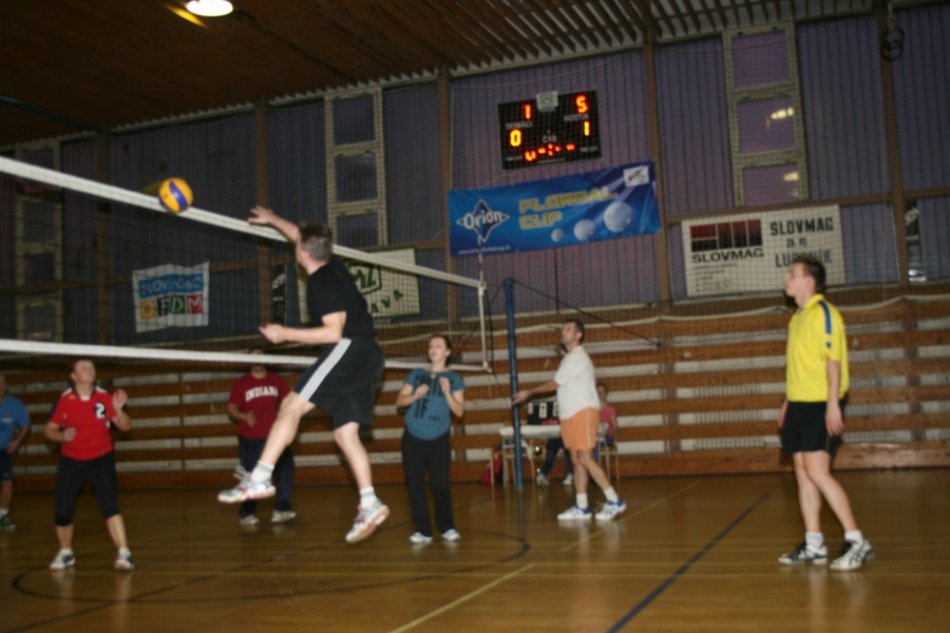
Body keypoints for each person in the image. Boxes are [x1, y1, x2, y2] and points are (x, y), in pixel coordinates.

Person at [218, 206, 389, 544]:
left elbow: (333, 332)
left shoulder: (320, 283)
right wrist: (273, 220)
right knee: (345, 434)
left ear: (302, 255)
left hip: (347, 349)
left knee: (291, 406)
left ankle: (260, 477)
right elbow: (301, 235)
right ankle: (370, 502)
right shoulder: (333, 264)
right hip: (369, 358)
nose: (295, 244)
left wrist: (285, 333)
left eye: (297, 244)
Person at [777, 254, 874, 571]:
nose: (787, 278)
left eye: (792, 274)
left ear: (809, 280)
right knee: (802, 473)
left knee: (818, 472)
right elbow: (800, 366)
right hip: (799, 404)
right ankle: (814, 543)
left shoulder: (825, 314)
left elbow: (833, 361)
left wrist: (833, 403)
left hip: (821, 403)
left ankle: (856, 540)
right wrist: (788, 402)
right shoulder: (797, 318)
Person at [512, 319, 625, 521]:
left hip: (583, 412)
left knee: (585, 457)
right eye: (563, 328)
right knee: (576, 460)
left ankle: (614, 500)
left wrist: (529, 392)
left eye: (568, 329)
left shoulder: (577, 356)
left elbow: (555, 383)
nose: (563, 331)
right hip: (568, 415)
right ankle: (582, 507)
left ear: (578, 335)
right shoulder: (568, 358)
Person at [44, 358, 134, 571]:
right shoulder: (64, 400)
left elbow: (125, 426)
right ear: (74, 376)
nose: (89, 369)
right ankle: (66, 553)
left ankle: (124, 553)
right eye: (83, 367)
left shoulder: (105, 397)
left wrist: (119, 409)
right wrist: (62, 436)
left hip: (101, 457)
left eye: (92, 366)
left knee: (109, 504)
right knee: (63, 510)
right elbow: (49, 430)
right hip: (72, 458)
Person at [395, 334, 465, 545]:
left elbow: (459, 411)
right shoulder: (417, 374)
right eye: (430, 346)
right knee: (415, 485)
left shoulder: (454, 378)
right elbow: (399, 401)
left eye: (438, 346)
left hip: (438, 438)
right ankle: (422, 531)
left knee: (439, 484)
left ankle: (447, 527)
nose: (433, 349)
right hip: (412, 438)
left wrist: (447, 393)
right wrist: (414, 396)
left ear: (448, 352)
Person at [227, 349, 294, 527]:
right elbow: (231, 408)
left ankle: (282, 510)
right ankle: (247, 513)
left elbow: (288, 400)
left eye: (260, 356)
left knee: (285, 470)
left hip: (275, 437)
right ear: (248, 361)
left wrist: (286, 415)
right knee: (251, 476)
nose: (257, 360)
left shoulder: (275, 379)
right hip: (250, 438)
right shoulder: (241, 383)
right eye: (253, 357)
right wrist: (243, 416)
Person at [0, 373, 31, 530]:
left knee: (7, 482)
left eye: (2, 383)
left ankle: (3, 515)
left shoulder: (15, 405)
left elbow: (25, 424)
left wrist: (17, 441)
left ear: (6, 386)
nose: (0, 386)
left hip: (4, 450)